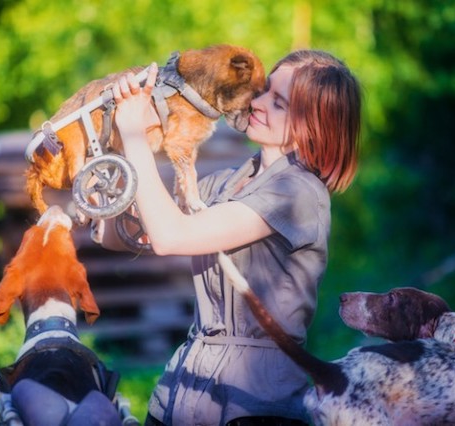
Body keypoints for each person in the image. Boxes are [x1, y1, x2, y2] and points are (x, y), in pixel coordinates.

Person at [107, 49, 361, 425]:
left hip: (252, 403)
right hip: (182, 390)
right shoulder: (227, 181)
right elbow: (123, 236)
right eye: (263, 91)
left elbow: (170, 236)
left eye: (278, 102)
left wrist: (135, 138)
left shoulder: (299, 194)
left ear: (312, 124)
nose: (256, 102)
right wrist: (117, 148)